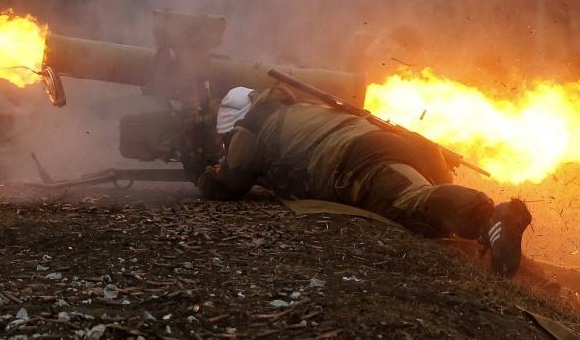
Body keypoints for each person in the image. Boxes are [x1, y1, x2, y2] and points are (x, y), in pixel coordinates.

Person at [187, 85, 533, 278]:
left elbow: (226, 186)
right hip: (382, 144)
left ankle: (492, 217)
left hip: (357, 160)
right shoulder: (298, 107)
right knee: (420, 204)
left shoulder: (251, 125)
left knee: (413, 199)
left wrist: (197, 169)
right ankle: (487, 230)